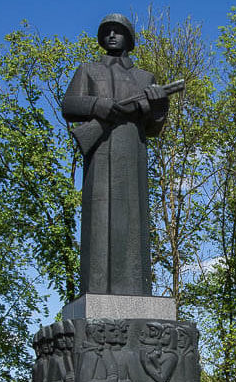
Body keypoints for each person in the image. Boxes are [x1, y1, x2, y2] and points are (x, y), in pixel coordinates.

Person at [62, 13, 169, 296]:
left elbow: (155, 127)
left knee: (133, 219)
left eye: (118, 31)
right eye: (107, 31)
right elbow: (69, 104)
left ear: (129, 38)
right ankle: (97, 292)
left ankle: (134, 291)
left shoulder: (145, 77)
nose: (111, 35)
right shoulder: (88, 70)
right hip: (100, 153)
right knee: (98, 222)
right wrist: (98, 106)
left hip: (132, 154)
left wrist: (157, 107)